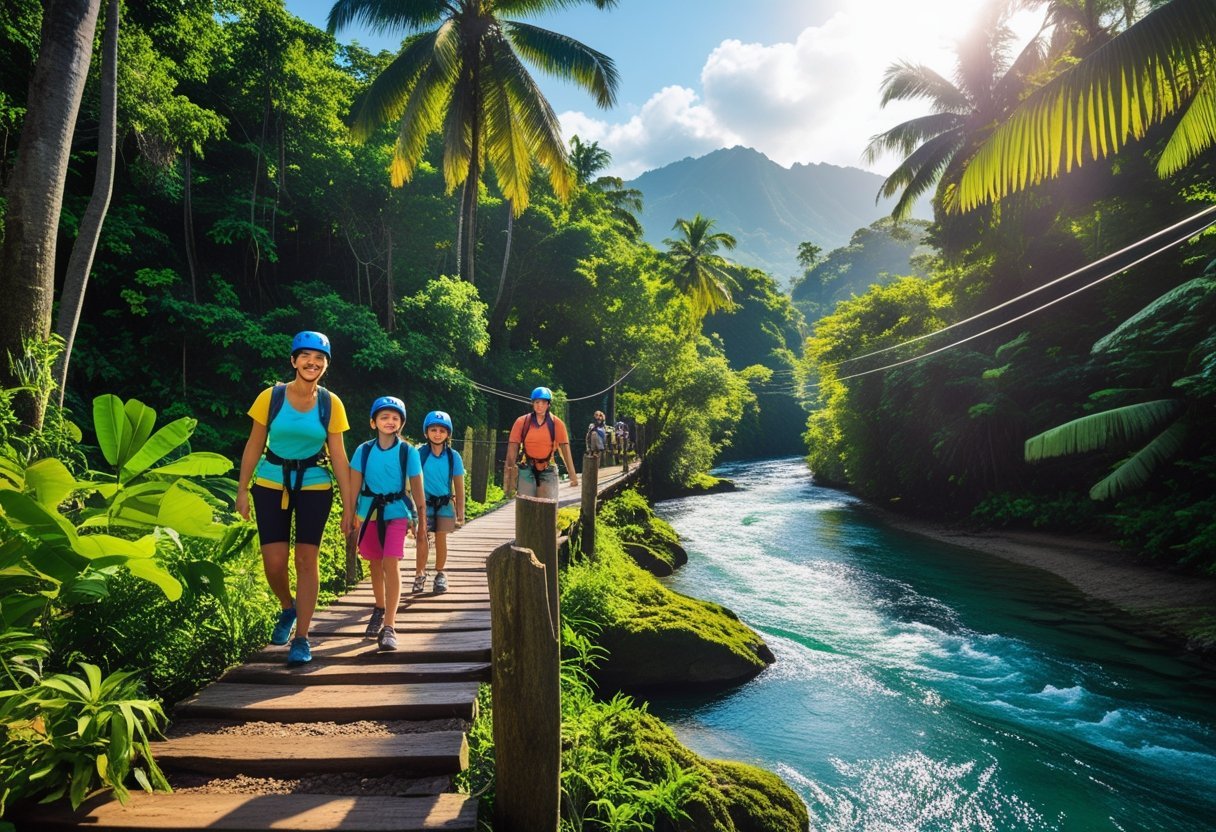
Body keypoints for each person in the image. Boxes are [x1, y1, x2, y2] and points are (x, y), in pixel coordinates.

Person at [236, 331, 353, 665]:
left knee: (305, 560)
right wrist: (242, 489)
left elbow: (339, 457)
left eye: (319, 359)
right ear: (293, 361)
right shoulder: (270, 397)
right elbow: (254, 444)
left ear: (325, 365)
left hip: (314, 484)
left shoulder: (331, 403)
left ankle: (302, 637)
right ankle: (288, 607)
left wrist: (349, 507)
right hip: (271, 481)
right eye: (305, 357)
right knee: (274, 562)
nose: (312, 363)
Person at [350, 396, 427, 652]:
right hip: (369, 512)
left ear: (401, 423)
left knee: (390, 561)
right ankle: (379, 607)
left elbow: (417, 487)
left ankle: (389, 626)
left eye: (395, 418)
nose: (390, 421)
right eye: (384, 417)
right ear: (373, 422)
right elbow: (353, 485)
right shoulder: (363, 451)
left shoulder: (408, 452)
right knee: (375, 562)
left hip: (397, 512)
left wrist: (421, 520)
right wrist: (349, 514)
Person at [415, 410, 466, 593]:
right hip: (424, 503)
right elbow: (411, 481)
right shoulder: (419, 454)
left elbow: (459, 485)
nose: (437, 434)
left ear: (448, 434)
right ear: (426, 432)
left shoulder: (453, 457)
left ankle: (440, 573)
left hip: (445, 503)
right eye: (433, 430)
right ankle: (420, 573)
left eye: (442, 430)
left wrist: (460, 511)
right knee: (422, 537)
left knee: (441, 537)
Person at [504, 386, 578, 500]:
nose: (540, 405)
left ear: (548, 404)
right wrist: (509, 479)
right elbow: (512, 449)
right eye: (537, 402)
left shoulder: (557, 424)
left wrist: (572, 475)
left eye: (543, 402)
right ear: (532, 403)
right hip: (527, 468)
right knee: (526, 504)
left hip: (548, 469)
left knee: (547, 505)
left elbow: (565, 451)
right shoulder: (522, 422)